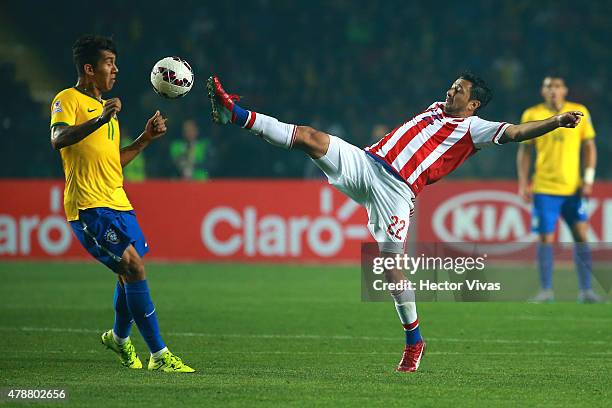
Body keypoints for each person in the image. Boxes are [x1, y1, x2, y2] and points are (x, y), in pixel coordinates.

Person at [206, 72, 584, 372]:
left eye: (459, 91)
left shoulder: (475, 128)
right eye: (453, 85)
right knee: (310, 137)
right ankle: (234, 115)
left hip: (397, 192)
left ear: (473, 105)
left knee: (389, 267)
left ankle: (414, 341)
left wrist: (556, 121)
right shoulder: (437, 107)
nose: (451, 91)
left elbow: (516, 133)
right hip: (367, 163)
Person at [50, 34, 194, 373]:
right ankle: (160, 356)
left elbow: (113, 161)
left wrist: (145, 139)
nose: (115, 69)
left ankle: (118, 337)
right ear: (89, 68)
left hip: (119, 202)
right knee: (134, 267)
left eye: (114, 63)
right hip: (89, 206)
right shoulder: (67, 99)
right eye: (108, 63)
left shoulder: (108, 111)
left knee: (128, 273)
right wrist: (100, 118)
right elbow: (58, 139)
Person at [517, 75, 600, 303]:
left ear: (565, 89)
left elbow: (590, 146)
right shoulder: (532, 114)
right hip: (544, 188)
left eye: (556, 86)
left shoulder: (579, 111)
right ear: (542, 91)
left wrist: (589, 179)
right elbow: (524, 152)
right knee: (545, 238)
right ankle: (546, 291)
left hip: (573, 189)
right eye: (548, 87)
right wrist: (524, 182)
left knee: (581, 236)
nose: (553, 90)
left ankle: (586, 291)